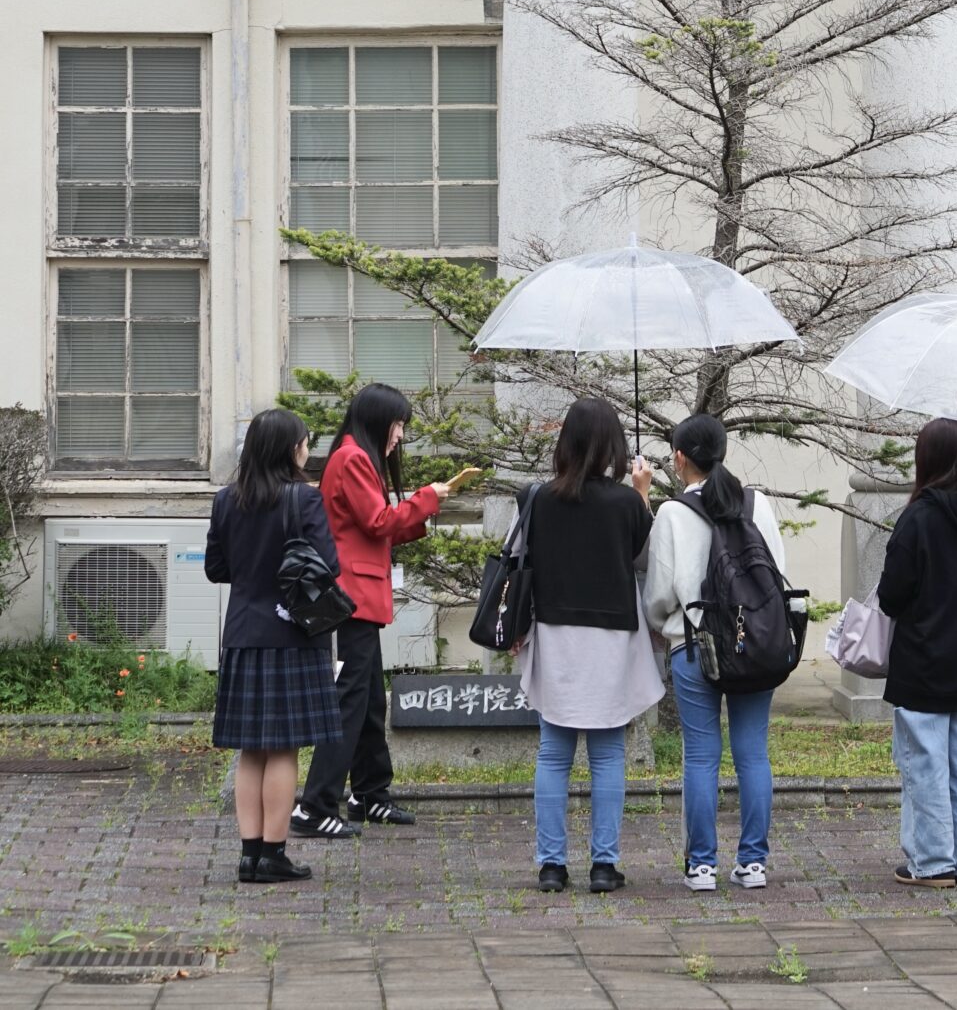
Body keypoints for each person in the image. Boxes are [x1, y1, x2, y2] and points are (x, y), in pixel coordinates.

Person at [294, 383, 476, 841]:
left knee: (370, 699)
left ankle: (370, 794)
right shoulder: (354, 458)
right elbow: (378, 522)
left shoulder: (353, 455)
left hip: (357, 597)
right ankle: (315, 806)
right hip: (351, 598)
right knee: (352, 702)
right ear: (378, 420)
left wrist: (425, 504)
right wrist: (429, 497)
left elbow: (377, 526)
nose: (399, 435)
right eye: (398, 425)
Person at [520, 397, 662, 894]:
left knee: (553, 754)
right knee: (607, 755)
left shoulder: (538, 498)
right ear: (611, 445)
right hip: (612, 639)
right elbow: (645, 559)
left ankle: (551, 866)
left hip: (556, 635)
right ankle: (604, 865)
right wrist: (642, 494)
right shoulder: (625, 503)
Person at [643, 413, 790, 892]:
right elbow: (778, 576)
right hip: (754, 644)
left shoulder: (670, 514)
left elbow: (659, 597)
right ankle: (753, 864)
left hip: (694, 644)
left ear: (680, 458)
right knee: (754, 754)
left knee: (701, 756)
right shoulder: (758, 504)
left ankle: (701, 866)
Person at [205, 409, 341, 885]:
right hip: (292, 633)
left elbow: (215, 569)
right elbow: (328, 564)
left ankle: (248, 855)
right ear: (290, 449)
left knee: (251, 750)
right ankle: (275, 854)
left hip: (242, 632)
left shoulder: (226, 499)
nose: (307, 449)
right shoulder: (304, 498)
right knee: (283, 749)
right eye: (304, 442)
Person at [878, 417, 957, 889]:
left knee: (925, 765)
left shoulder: (919, 517)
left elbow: (892, 595)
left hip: (923, 662)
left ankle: (932, 863)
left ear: (925, 459)